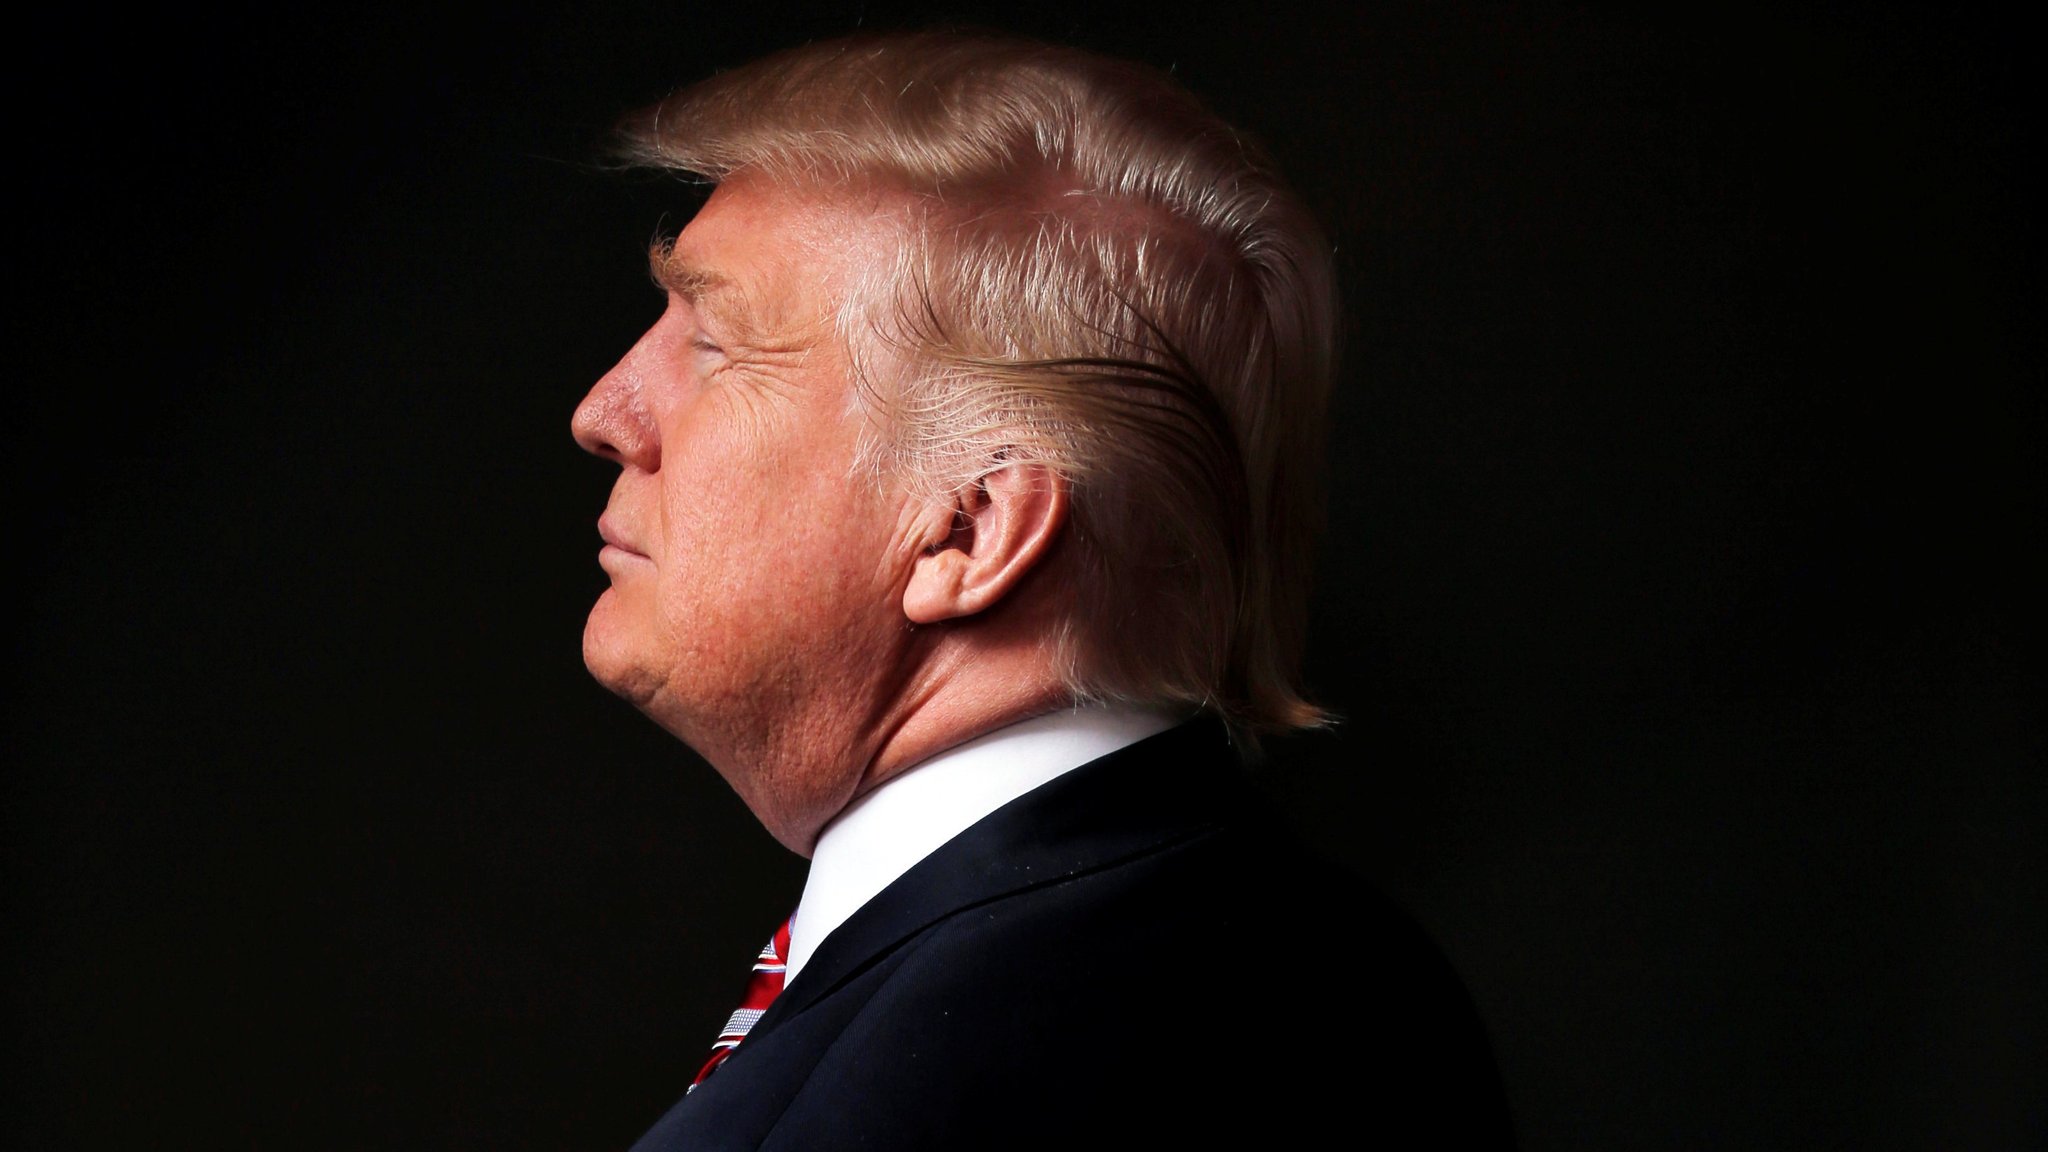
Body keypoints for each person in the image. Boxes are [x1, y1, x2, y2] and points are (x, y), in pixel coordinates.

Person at [570, 28, 1514, 1150]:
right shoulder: (1278, 968)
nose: (604, 411)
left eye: (716, 342)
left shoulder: (1017, 1057)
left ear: (967, 532)